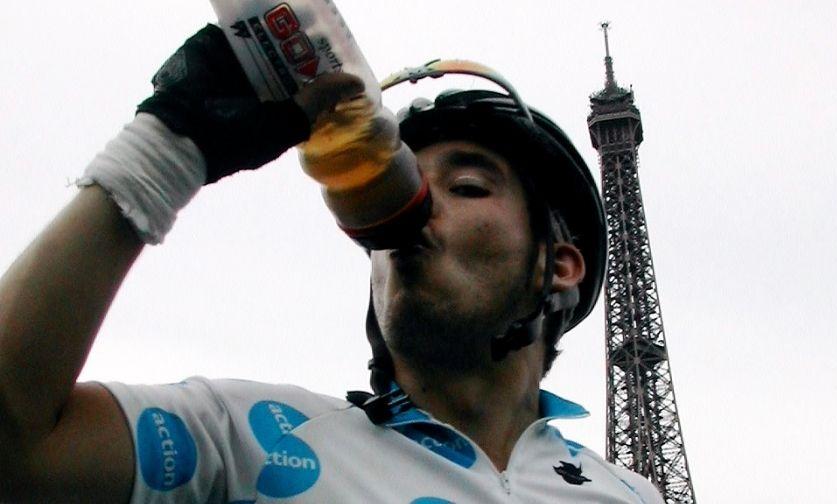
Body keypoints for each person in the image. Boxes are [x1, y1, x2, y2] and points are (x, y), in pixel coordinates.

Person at [0, 25, 663, 503]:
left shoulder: (630, 494)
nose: (416, 212)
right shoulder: (246, 439)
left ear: (562, 267)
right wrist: (164, 154)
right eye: (399, 192)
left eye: (466, 188)